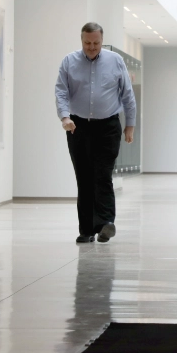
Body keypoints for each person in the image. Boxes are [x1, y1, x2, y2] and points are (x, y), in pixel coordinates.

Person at [56, 22, 136, 244]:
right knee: (84, 177)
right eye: (87, 43)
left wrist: (130, 125)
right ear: (81, 40)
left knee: (102, 174)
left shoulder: (115, 61)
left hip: (108, 126)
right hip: (77, 126)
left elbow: (127, 95)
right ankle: (86, 230)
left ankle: (105, 223)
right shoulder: (69, 61)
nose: (91, 47)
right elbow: (61, 92)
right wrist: (65, 117)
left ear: (102, 40)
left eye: (96, 43)